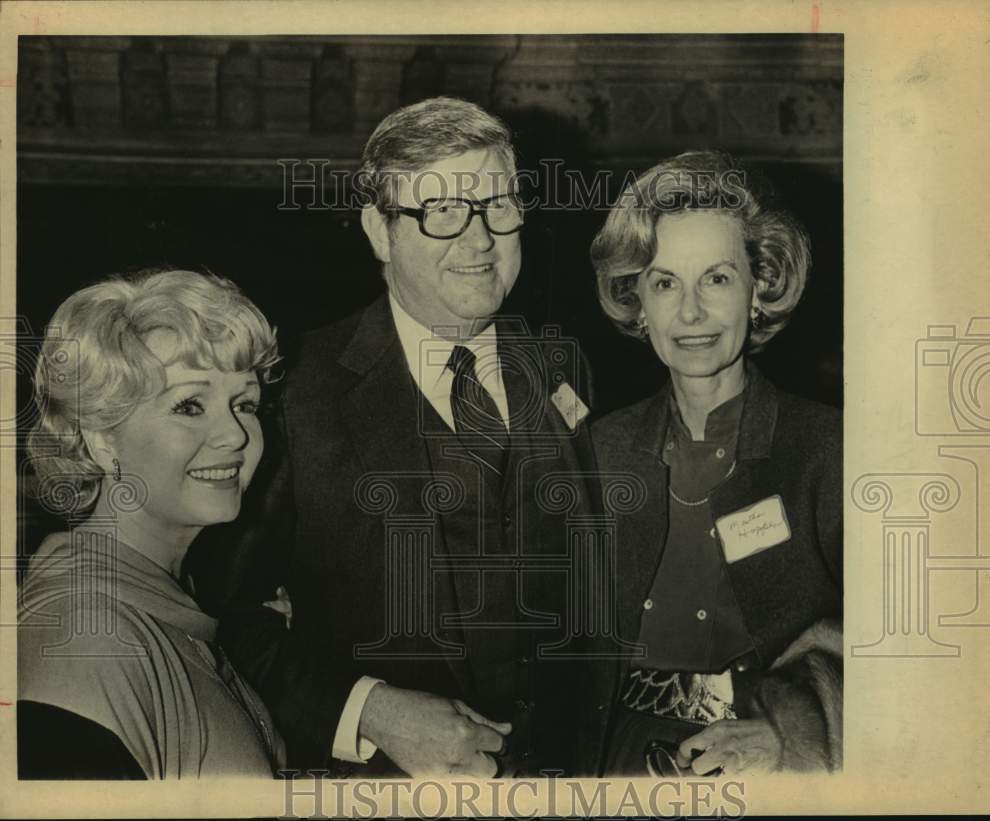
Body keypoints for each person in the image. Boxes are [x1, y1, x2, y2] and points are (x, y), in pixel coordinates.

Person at [189, 96, 605, 778]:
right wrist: (370, 710)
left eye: (498, 204)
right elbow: (218, 616)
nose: (480, 241)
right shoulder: (296, 393)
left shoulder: (566, 365)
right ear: (380, 234)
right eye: (442, 211)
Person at [589, 151, 843, 776]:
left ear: (761, 288)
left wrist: (788, 728)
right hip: (613, 762)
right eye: (666, 282)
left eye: (717, 278)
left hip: (772, 765)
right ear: (637, 302)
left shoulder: (830, 447)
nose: (692, 313)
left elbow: (913, 638)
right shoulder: (595, 453)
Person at [17, 269, 287, 779]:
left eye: (245, 404)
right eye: (189, 406)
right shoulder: (87, 638)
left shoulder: (157, 595)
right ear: (101, 438)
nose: (234, 434)